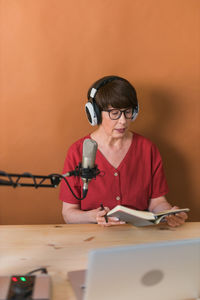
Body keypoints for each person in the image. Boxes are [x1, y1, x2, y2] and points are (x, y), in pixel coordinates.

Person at [59, 75, 188, 227]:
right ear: (95, 114)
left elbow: (157, 203)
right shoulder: (77, 151)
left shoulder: (148, 149)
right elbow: (68, 214)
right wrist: (93, 216)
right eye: (114, 113)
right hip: (93, 239)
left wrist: (168, 214)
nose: (123, 121)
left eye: (128, 112)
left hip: (139, 239)